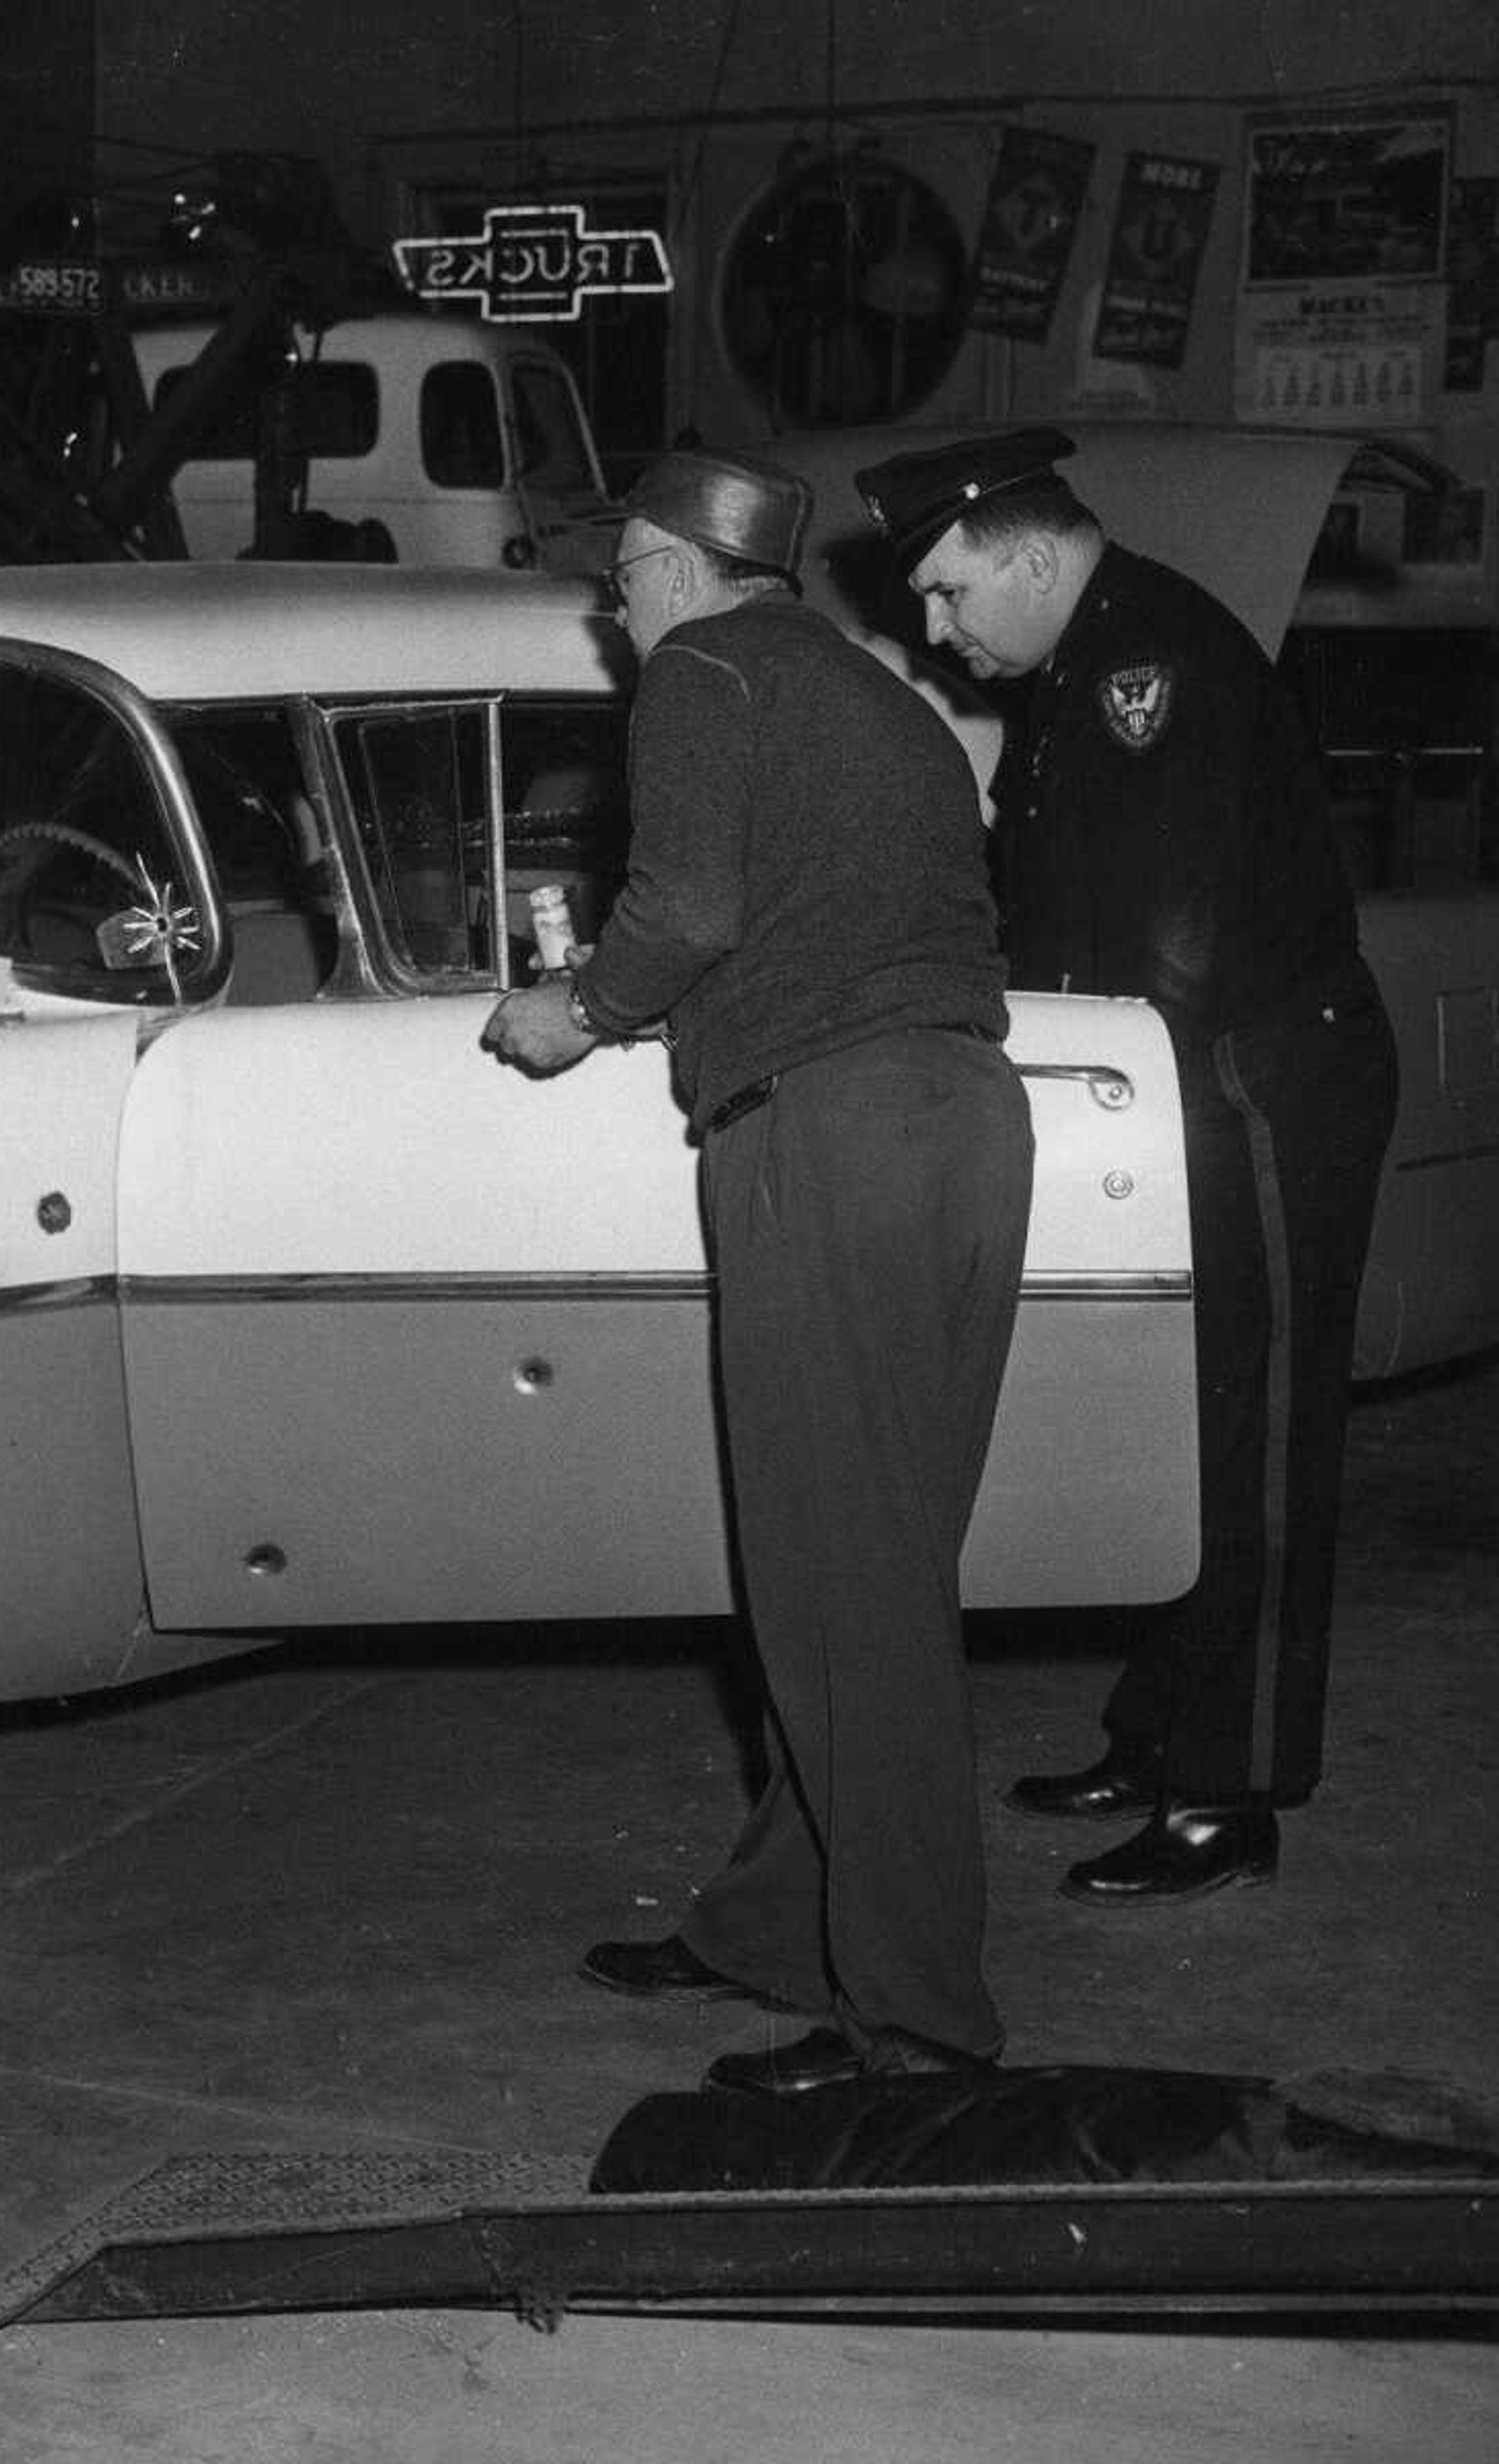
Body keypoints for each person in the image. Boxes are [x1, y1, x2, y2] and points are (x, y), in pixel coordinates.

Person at [484, 449, 1034, 2094]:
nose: (614, 605)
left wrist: (570, 1013)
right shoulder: (872, 694)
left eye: (623, 575)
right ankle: (780, 1928)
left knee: (834, 1590)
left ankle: (919, 2027)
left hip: (823, 1131)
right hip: (963, 1120)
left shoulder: (700, 672)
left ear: (674, 565)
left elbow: (693, 899)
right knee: (875, 1568)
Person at [853, 428, 1400, 1904]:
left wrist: (1094, 1110)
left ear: (1034, 554)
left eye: (953, 592)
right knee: (1184, 1426)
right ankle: (1161, 1733)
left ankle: (1233, 1790)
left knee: (1262, 1433)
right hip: (1195, 1074)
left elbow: (1159, 947)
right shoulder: (1085, 660)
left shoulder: (1145, 667)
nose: (936, 629)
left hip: (1251, 1078)